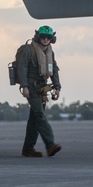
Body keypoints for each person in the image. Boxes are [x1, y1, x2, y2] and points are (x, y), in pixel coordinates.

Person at [16, 25, 62, 158]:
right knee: (40, 116)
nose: (45, 39)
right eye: (43, 36)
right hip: (31, 87)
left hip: (42, 88)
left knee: (34, 119)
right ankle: (50, 144)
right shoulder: (28, 50)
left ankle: (28, 148)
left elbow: (54, 69)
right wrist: (24, 86)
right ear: (38, 36)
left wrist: (57, 87)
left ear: (52, 38)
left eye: (48, 37)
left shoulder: (50, 52)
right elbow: (22, 68)